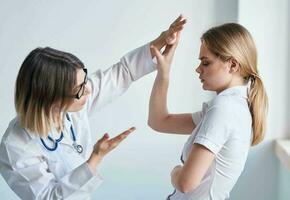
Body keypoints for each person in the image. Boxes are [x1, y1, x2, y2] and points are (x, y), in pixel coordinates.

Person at [0, 16, 186, 200]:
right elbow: (48, 197)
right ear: (51, 98)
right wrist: (95, 159)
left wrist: (162, 40)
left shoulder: (72, 105)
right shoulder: (16, 146)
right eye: (79, 89)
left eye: (85, 80)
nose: (88, 90)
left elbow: (123, 72)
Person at [149, 23, 268, 200]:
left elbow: (185, 183)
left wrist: (175, 171)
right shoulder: (231, 107)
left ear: (233, 65)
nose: (198, 69)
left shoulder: (224, 109)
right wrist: (163, 72)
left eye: (206, 62)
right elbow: (159, 121)